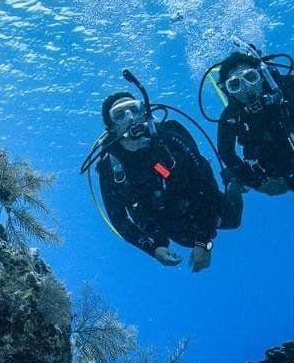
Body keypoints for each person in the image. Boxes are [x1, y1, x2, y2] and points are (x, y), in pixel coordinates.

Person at [95, 91, 222, 271]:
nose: (130, 118)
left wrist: (204, 242)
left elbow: (205, 180)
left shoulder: (170, 137)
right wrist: (153, 250)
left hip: (196, 203)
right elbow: (118, 218)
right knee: (184, 239)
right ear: (111, 126)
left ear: (144, 112)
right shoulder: (110, 167)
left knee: (232, 218)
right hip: (161, 221)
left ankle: (233, 186)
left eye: (134, 109)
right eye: (120, 114)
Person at [215, 51, 294, 211]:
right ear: (228, 91)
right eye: (235, 85)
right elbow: (226, 153)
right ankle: (238, 182)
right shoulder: (230, 116)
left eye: (251, 78)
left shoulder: (288, 90)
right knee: (231, 176)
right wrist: (259, 184)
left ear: (261, 75)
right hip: (266, 170)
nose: (246, 89)